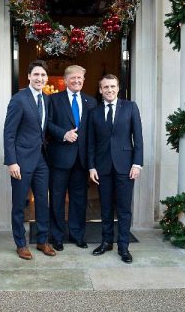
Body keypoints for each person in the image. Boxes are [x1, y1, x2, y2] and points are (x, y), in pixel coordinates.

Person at [87, 74, 143, 264]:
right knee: (105, 207)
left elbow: (139, 138)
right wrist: (91, 166)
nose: (109, 90)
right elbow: (91, 143)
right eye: (105, 87)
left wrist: (137, 164)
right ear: (100, 90)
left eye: (112, 86)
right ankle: (106, 242)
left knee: (124, 209)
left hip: (125, 167)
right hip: (102, 167)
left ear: (118, 88)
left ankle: (123, 247)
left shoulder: (130, 107)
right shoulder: (94, 112)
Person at [3, 60, 56, 260]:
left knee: (43, 201)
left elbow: (45, 128)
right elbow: (9, 133)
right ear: (28, 76)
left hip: (42, 159)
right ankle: (20, 243)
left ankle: (42, 240)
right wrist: (12, 162)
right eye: (36, 75)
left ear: (46, 78)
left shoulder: (47, 99)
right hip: (21, 160)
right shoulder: (19, 99)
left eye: (43, 75)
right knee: (19, 205)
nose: (40, 78)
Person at [47, 65, 97, 251]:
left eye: (80, 78)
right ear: (66, 80)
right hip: (59, 157)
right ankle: (57, 237)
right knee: (57, 199)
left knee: (79, 200)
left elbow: (93, 131)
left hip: (82, 160)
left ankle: (77, 235)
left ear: (83, 80)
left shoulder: (91, 102)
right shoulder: (53, 100)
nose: (77, 81)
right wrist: (63, 134)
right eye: (73, 78)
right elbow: (46, 124)